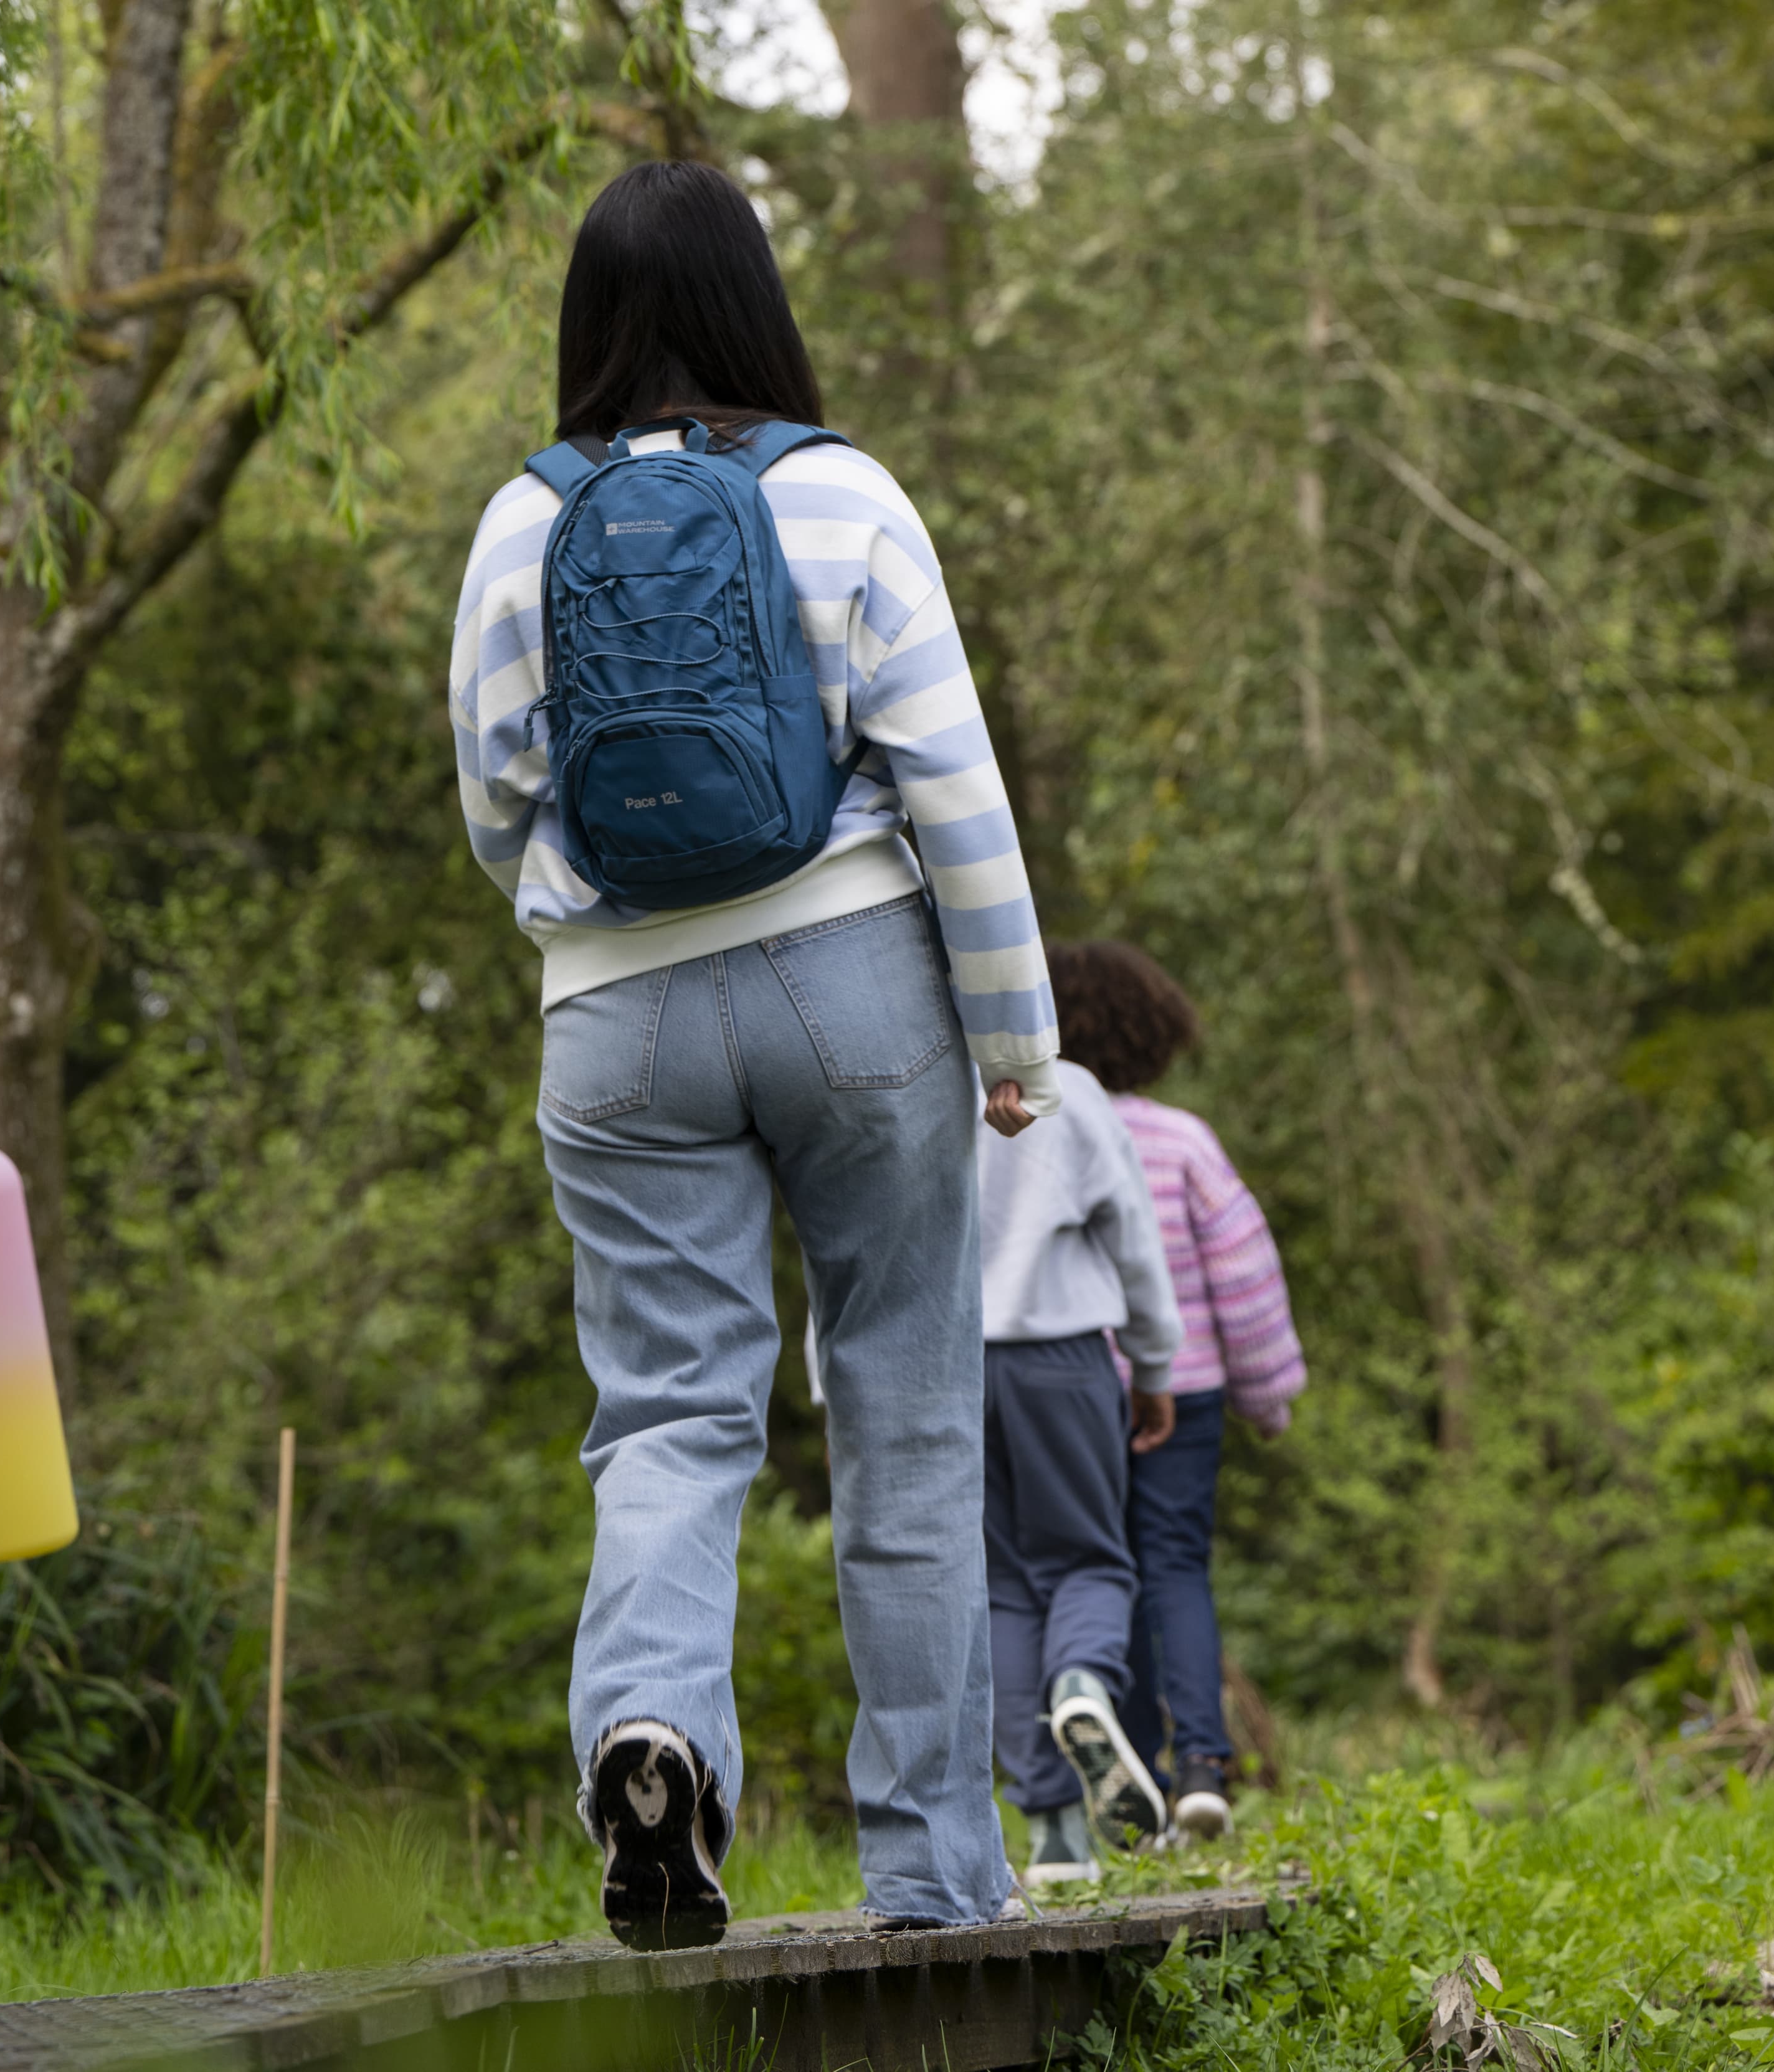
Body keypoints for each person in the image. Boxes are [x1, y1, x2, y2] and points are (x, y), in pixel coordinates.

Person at [450, 161, 1058, 1946]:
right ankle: (937, 1870)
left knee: (664, 1412)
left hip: (616, 1018)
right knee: (908, 1415)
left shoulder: (520, 520)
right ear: (755, 304)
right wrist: (1012, 1030)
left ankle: (653, 1734)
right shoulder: (844, 495)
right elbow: (955, 783)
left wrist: (598, 921)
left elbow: (495, 797)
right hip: (858, 980)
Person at [1045, 942, 1306, 1842]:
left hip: (1062, 1395)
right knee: (1175, 1567)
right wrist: (1267, 1394)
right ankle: (1204, 1763)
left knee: (1092, 1572)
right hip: (1185, 1392)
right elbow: (1243, 1275)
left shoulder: (1028, 1134)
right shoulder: (1182, 1141)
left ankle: (1134, 1781)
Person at [975, 1048, 1183, 1889]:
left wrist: (835, 1389)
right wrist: (1156, 1366)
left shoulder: (900, 1078)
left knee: (1000, 1587)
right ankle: (1084, 1686)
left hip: (946, 1366)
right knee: (1092, 1560)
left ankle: (1056, 1834)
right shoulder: (1069, 1089)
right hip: (1062, 1358)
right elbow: (1130, 1232)